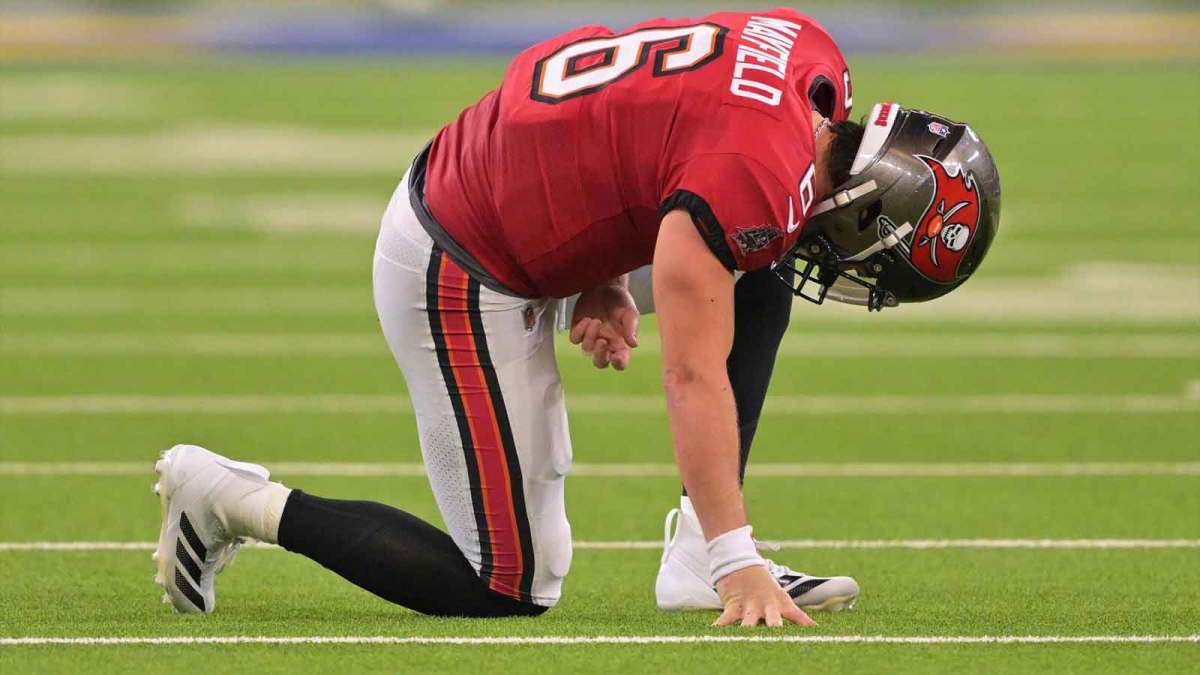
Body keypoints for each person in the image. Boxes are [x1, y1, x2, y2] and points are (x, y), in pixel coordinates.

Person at [152, 7, 1000, 627]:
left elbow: (641, 118)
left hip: (507, 178)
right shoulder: (753, 178)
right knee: (508, 581)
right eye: (875, 262)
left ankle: (695, 554)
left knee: (761, 259)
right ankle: (229, 497)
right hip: (459, 255)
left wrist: (599, 267)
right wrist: (742, 560)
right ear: (870, 208)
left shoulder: (811, 60)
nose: (857, 273)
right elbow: (691, 372)